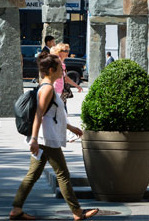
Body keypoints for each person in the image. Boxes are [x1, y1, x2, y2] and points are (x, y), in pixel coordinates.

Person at [9, 54, 98, 221]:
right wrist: (34, 139)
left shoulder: (46, 86)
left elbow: (53, 114)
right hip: (46, 139)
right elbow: (39, 114)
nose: (63, 70)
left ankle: (16, 209)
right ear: (51, 70)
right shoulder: (48, 88)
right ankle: (77, 212)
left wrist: (71, 127)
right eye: (60, 67)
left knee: (33, 174)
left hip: (44, 138)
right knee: (62, 174)